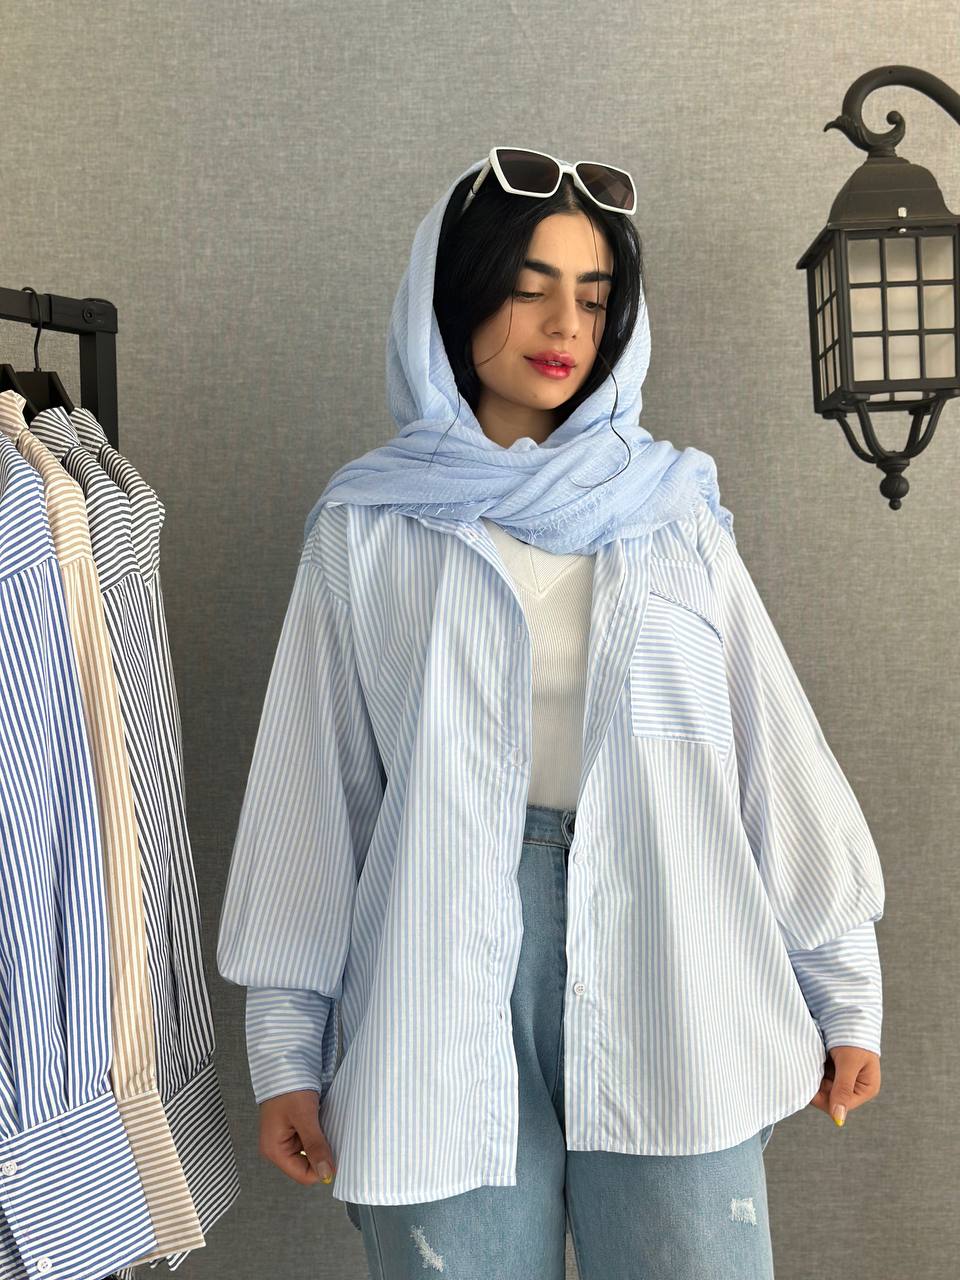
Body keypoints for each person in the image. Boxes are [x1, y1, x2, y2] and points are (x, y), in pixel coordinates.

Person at [216, 149, 885, 1280]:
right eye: (528, 288)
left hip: (674, 952)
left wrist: (845, 988)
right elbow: (312, 797)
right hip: (432, 969)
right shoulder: (369, 528)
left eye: (593, 294)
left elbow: (769, 753)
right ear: (454, 299)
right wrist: (287, 1045)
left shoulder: (674, 517)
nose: (565, 323)